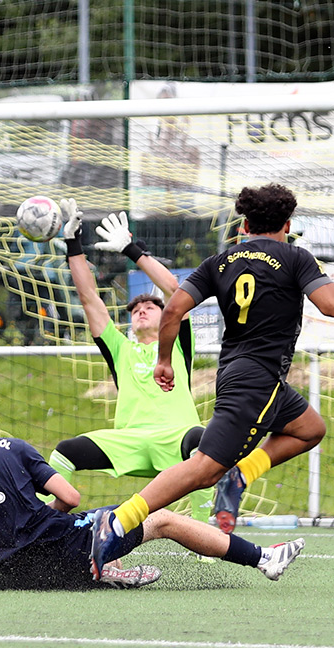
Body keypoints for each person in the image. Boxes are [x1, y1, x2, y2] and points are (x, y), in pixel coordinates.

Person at [93, 183, 334, 541]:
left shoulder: (219, 262)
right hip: (258, 380)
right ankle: (118, 522)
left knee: (310, 428)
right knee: (203, 469)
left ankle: (240, 475)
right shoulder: (296, 257)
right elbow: (333, 305)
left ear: (244, 226)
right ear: (288, 225)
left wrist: (164, 360)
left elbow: (172, 310)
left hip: (240, 374)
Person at [0, 387, 304, 591]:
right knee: (158, 518)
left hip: (18, 572)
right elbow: (70, 498)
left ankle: (103, 570)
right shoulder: (13, 447)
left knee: (97, 527)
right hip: (57, 549)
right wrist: (46, 517)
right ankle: (262, 559)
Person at [49, 199, 212, 526]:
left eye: (150, 307)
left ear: (166, 316)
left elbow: (174, 289)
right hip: (130, 442)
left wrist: (131, 249)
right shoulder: (120, 349)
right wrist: (72, 243)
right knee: (64, 452)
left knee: (202, 440)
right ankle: (36, 526)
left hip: (176, 438)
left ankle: (204, 528)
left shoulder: (176, 345)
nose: (141, 311)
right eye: (136, 310)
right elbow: (89, 299)